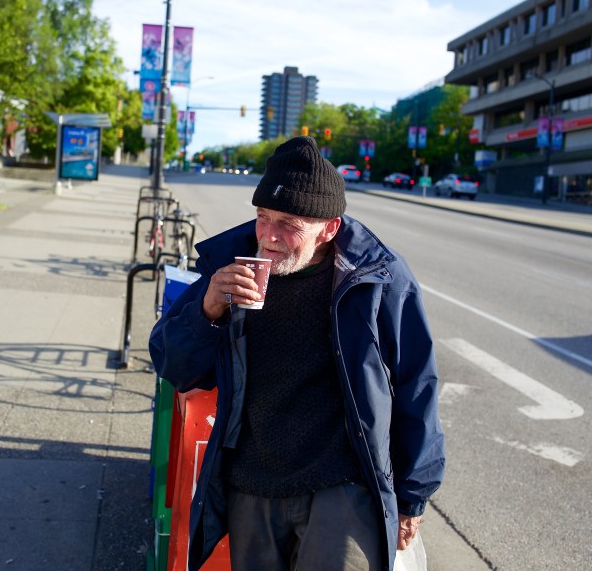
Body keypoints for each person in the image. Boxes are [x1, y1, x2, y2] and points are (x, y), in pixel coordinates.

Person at [149, 136, 445, 571]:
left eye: (290, 223)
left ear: (329, 228)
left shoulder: (376, 279)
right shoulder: (228, 270)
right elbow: (175, 368)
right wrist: (208, 310)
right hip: (251, 483)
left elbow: (416, 384)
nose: (268, 236)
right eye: (263, 217)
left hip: (342, 486)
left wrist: (412, 494)